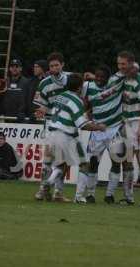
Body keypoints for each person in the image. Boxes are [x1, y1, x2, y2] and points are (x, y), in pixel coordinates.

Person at [46, 73, 106, 203]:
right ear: (79, 88)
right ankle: (78, 197)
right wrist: (99, 127)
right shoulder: (76, 100)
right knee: (84, 164)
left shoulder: (60, 96)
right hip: (65, 135)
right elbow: (82, 125)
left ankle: (57, 192)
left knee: (61, 164)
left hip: (51, 132)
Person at [82, 64, 125, 203]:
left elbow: (129, 72)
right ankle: (90, 194)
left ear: (109, 78)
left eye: (102, 77)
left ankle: (109, 195)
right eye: (97, 76)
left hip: (115, 129)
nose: (99, 79)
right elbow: (83, 100)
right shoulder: (88, 86)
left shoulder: (116, 85)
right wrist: (86, 112)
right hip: (97, 131)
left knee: (116, 162)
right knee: (93, 163)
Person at [33, 52, 71, 202]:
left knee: (62, 159)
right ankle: (46, 190)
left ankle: (54, 192)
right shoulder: (44, 83)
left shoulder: (70, 79)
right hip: (51, 123)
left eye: (57, 65)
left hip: (67, 124)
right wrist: (40, 111)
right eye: (51, 66)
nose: (54, 68)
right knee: (49, 158)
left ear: (62, 65)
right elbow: (40, 105)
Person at [120, 52, 140, 207]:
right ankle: (129, 197)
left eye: (123, 64)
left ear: (131, 63)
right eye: (119, 64)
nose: (120, 66)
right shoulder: (123, 78)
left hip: (137, 123)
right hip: (127, 123)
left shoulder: (138, 79)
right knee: (127, 160)